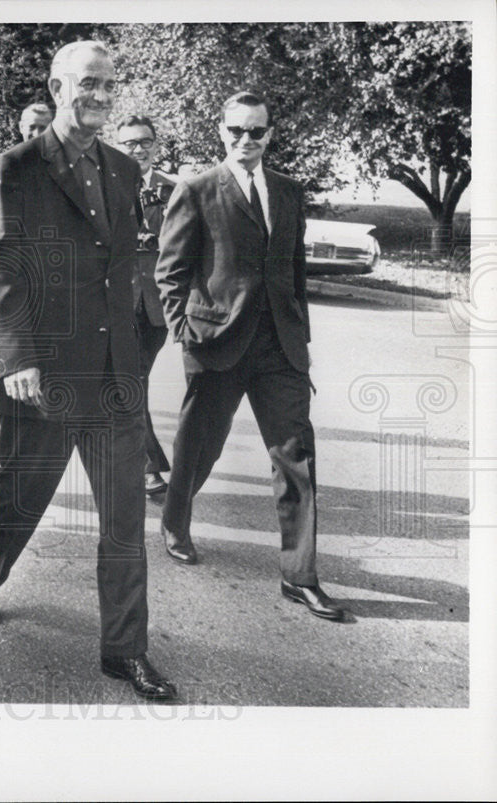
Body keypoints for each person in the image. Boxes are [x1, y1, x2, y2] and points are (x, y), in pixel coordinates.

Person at [0, 41, 176, 701]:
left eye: (109, 85)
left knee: (122, 523)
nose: (100, 95)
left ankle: (125, 650)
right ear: (57, 86)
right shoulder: (19, 165)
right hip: (47, 373)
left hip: (116, 376)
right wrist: (18, 356)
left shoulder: (120, 166)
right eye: (87, 83)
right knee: (22, 494)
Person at [155, 90, 346, 621]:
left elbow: (294, 271)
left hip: (279, 348)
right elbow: (170, 272)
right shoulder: (196, 189)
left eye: (256, 132)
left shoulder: (287, 191)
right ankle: (175, 520)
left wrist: (301, 341)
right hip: (216, 343)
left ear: (270, 134)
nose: (245, 140)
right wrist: (184, 334)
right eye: (236, 131)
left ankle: (299, 575)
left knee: (296, 461)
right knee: (199, 448)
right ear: (221, 132)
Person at [116, 115, 176, 497]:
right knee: (132, 379)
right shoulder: (104, 186)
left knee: (134, 380)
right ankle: (148, 466)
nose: (138, 150)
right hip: (117, 300)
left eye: (144, 142)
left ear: (156, 145)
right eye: (130, 144)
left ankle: (136, 459)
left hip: (156, 304)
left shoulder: (174, 190)